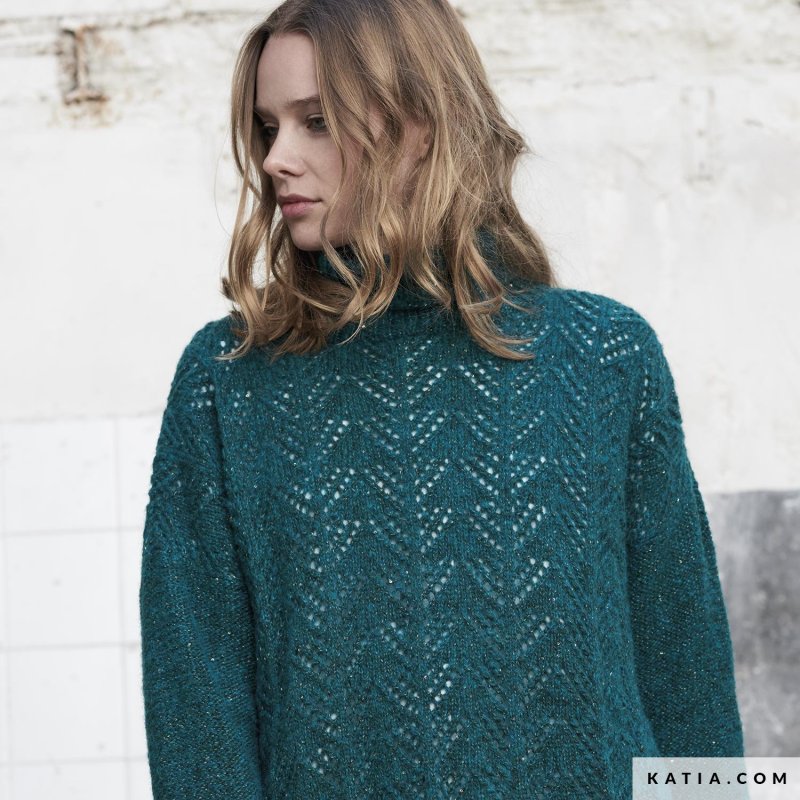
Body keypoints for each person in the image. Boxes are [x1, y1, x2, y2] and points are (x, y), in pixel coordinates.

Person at [138, 0, 745, 798]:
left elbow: (686, 673)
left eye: (316, 121)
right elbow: (198, 714)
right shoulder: (229, 380)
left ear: (420, 125)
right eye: (266, 128)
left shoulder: (603, 356)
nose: (277, 158)